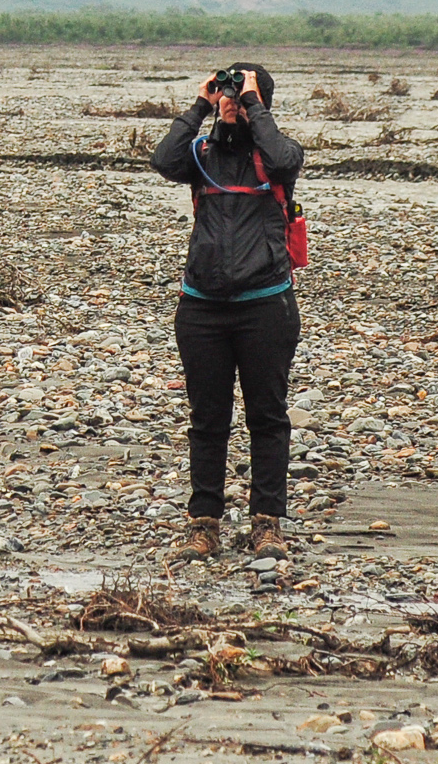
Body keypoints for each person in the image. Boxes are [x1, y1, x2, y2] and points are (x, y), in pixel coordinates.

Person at [149, 62, 304, 561]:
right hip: (202, 307)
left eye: (243, 91)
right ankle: (204, 525)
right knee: (207, 419)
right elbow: (162, 159)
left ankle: (267, 524)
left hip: (265, 305)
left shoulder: (278, 154)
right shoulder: (202, 154)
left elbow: (281, 158)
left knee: (268, 417)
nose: (232, 99)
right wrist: (201, 104)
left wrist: (255, 105)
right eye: (229, 92)